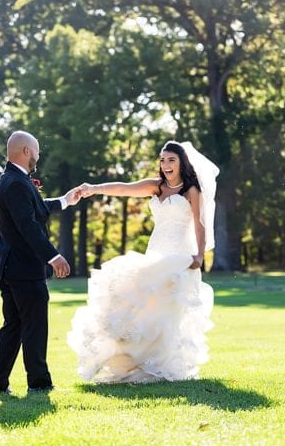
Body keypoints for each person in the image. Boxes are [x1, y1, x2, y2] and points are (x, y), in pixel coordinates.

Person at [67, 141, 218, 383]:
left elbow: (200, 225)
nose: (165, 164)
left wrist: (199, 255)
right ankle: (135, 362)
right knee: (144, 307)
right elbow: (124, 188)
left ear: (181, 163)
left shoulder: (191, 191)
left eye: (171, 160)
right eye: (162, 160)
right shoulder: (156, 187)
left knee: (167, 312)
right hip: (156, 251)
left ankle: (164, 364)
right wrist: (93, 188)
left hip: (179, 256)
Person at [0, 131, 83, 396]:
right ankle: (39, 383)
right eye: (37, 151)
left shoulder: (11, 179)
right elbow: (28, 226)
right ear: (27, 151)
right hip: (23, 270)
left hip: (10, 268)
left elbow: (34, 209)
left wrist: (65, 200)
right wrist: (53, 256)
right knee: (34, 326)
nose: (38, 156)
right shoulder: (16, 183)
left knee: (14, 327)